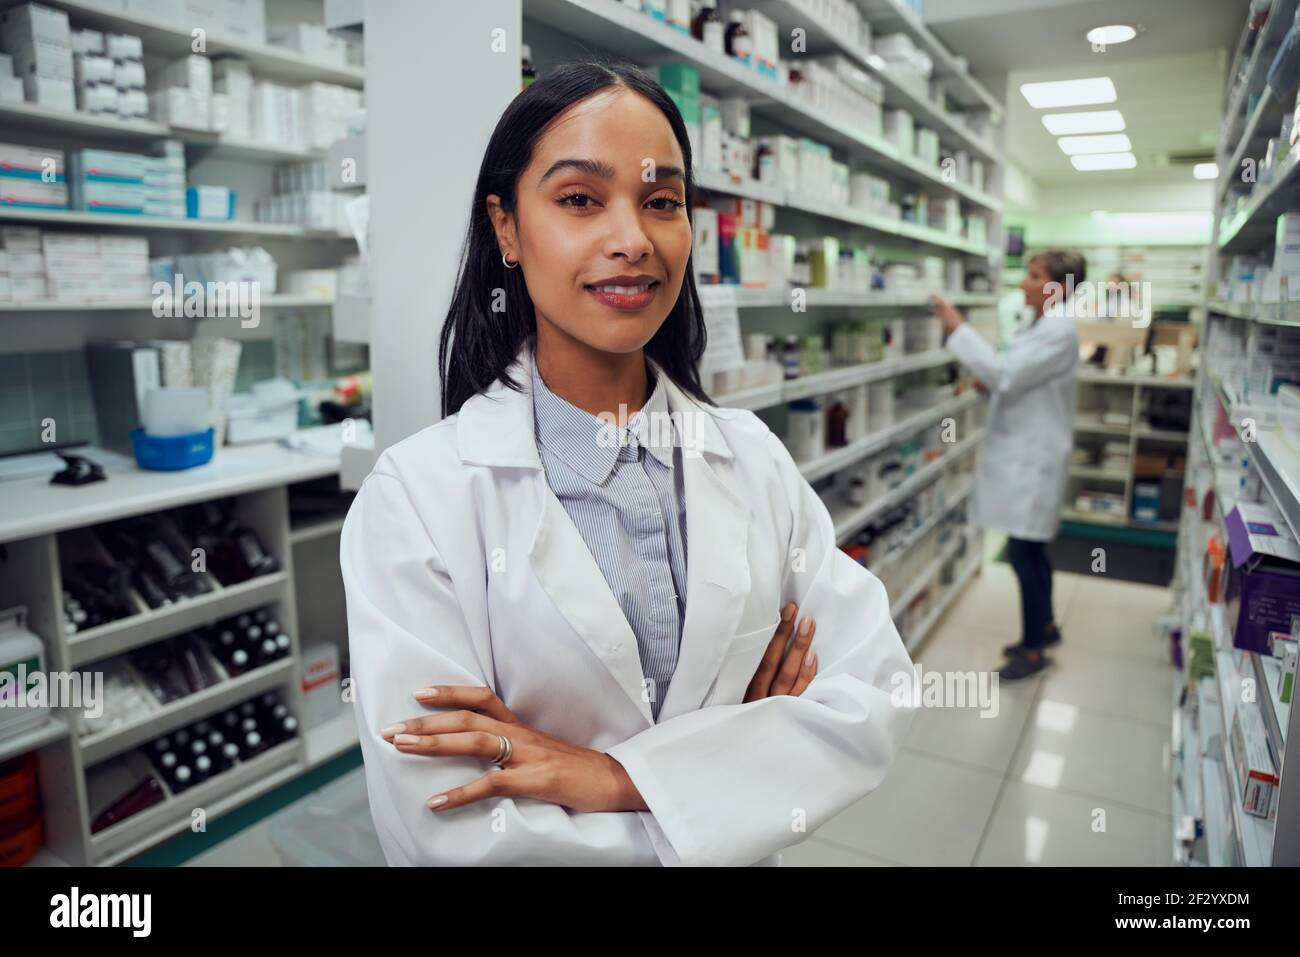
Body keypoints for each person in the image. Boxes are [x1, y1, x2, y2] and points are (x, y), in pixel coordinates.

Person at [338, 60, 915, 866]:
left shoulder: (752, 458)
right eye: (579, 199)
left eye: (661, 202)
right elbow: (451, 827)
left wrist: (612, 777)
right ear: (505, 227)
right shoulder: (418, 501)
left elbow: (870, 698)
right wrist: (734, 761)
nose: (632, 240)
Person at [929, 250, 1083, 680]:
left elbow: (1007, 376)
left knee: (1023, 553)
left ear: (1056, 287)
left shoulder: (1059, 332)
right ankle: (1046, 627)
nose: (1023, 284)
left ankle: (1032, 650)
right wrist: (992, 385)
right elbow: (1012, 382)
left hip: (1034, 460)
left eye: (1034, 276)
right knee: (1032, 550)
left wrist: (956, 326)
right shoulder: (1037, 325)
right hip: (1025, 452)